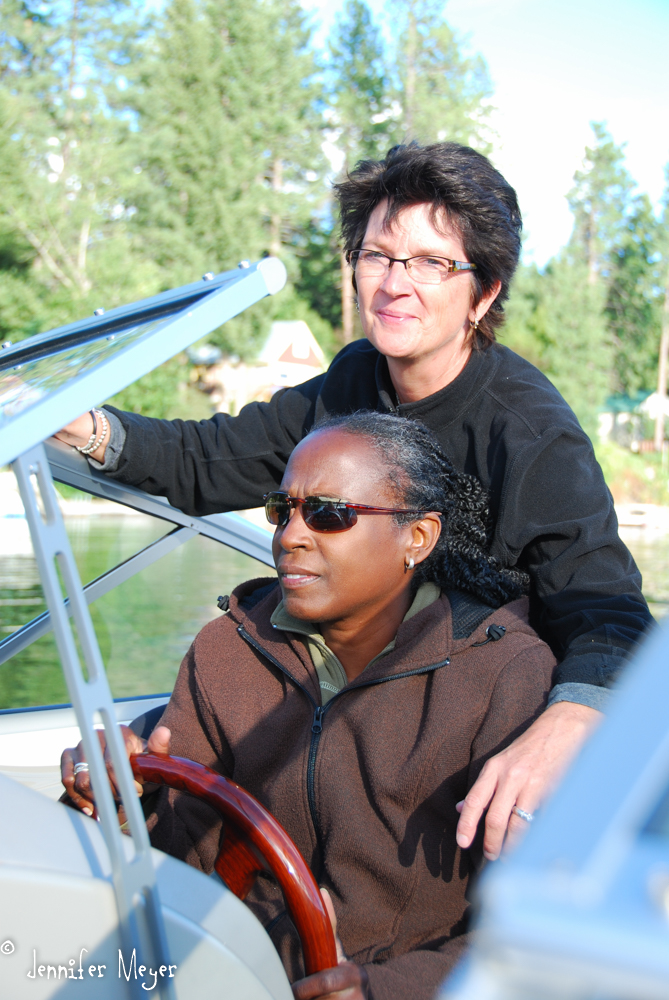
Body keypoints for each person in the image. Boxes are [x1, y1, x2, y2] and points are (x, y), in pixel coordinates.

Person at [55, 141, 651, 860]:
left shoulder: (529, 435)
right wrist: (81, 426)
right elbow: (212, 459)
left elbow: (608, 613)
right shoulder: (350, 380)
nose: (396, 283)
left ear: (483, 292)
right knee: (119, 762)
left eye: (431, 263)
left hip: (466, 713)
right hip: (345, 679)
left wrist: (566, 727)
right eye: (377, 255)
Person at [62, 412, 556, 1000]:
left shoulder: (504, 677)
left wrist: (379, 989)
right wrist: (121, 803)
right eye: (282, 509)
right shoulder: (226, 650)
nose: (290, 535)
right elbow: (185, 865)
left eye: (328, 513)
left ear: (417, 538)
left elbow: (536, 930)